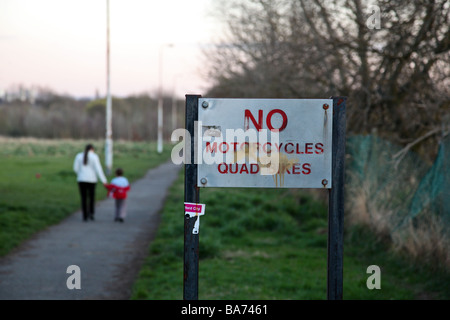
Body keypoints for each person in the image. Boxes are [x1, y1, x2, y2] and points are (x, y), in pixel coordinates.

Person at [73, 144, 108, 222]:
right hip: (92, 180)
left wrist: (80, 174)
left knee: (84, 198)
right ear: (92, 149)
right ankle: (91, 213)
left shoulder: (78, 156)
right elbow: (98, 169)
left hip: (81, 180)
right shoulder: (94, 156)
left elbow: (75, 169)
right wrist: (104, 181)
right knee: (91, 197)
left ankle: (84, 215)